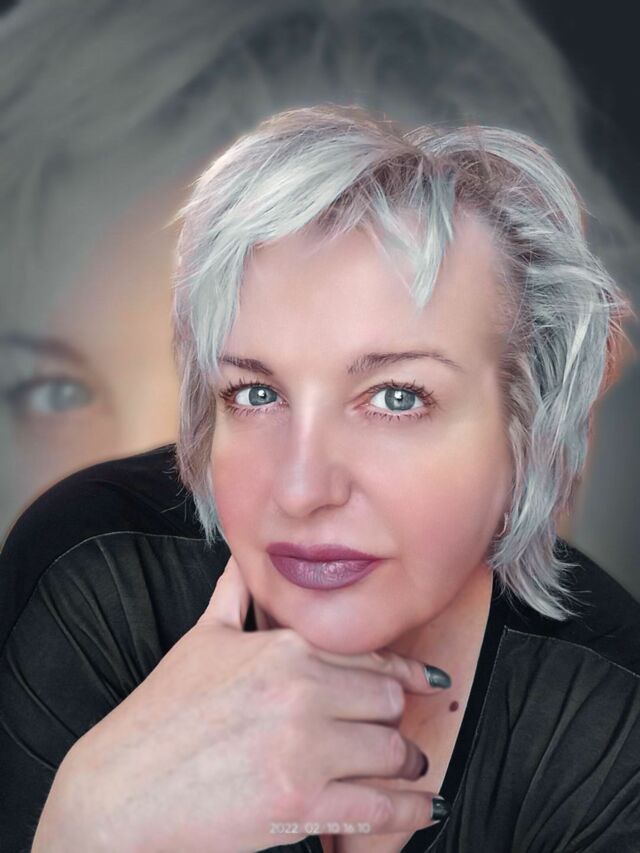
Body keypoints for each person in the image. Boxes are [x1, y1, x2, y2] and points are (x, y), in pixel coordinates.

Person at [1, 103, 638, 852]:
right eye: (255, 393)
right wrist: (93, 825)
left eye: (397, 398)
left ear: (527, 426)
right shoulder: (100, 578)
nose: (301, 490)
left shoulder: (609, 719)